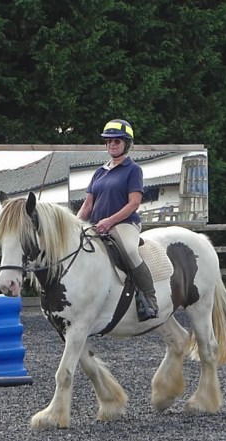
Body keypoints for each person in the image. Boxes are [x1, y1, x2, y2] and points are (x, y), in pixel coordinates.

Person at [76, 119, 158, 321]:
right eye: (109, 141)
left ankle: (149, 299)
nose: (112, 144)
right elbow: (87, 206)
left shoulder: (133, 170)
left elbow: (134, 203)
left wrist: (109, 221)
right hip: (97, 225)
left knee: (130, 250)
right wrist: (74, 225)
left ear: (126, 144)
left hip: (124, 224)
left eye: (117, 141)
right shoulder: (100, 171)